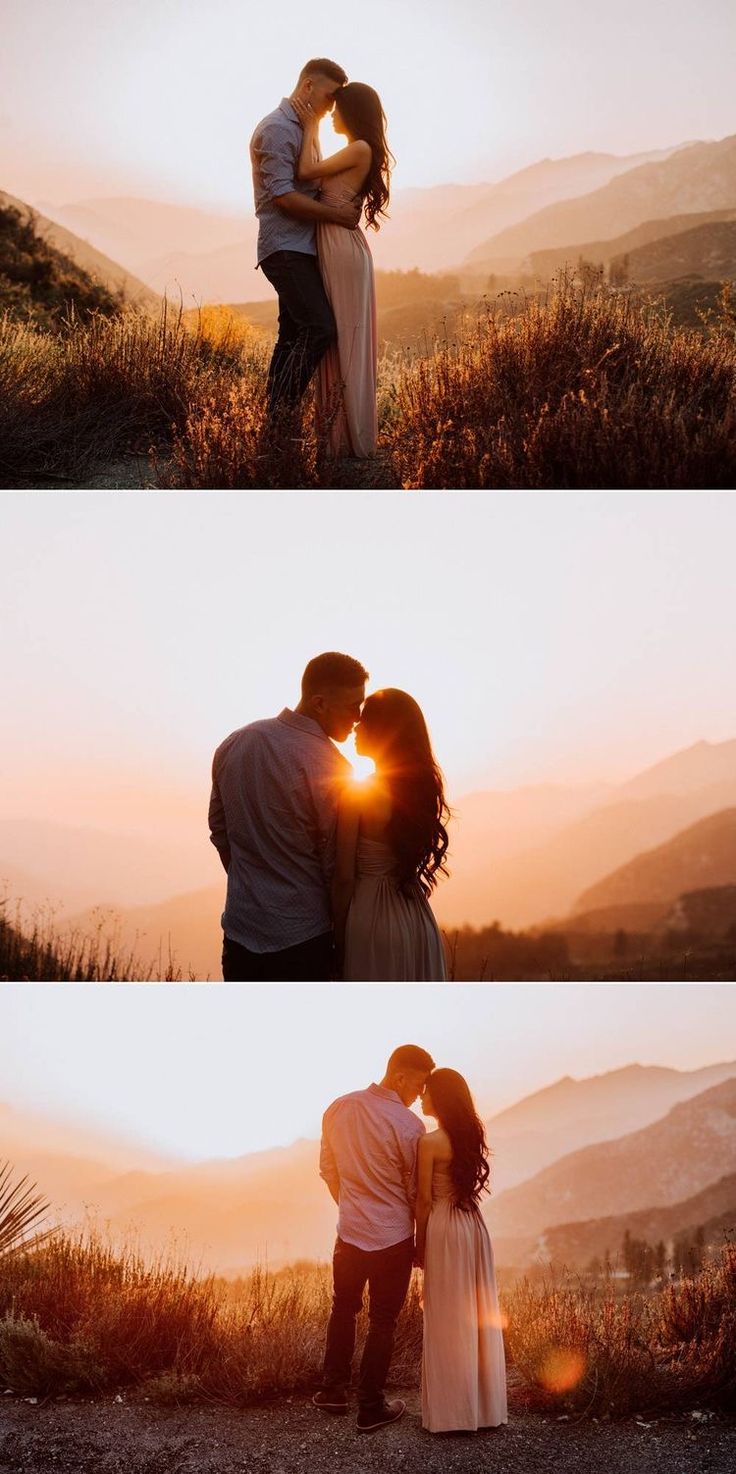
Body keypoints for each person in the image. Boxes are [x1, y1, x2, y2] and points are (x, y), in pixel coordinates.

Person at [208, 652, 367, 980]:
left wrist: (250, 880)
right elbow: (336, 868)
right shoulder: (334, 769)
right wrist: (341, 944)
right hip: (306, 940)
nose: (359, 718)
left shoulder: (235, 742)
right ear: (320, 703)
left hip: (240, 936)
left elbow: (219, 829)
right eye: (354, 706)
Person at [315, 1044, 435, 1431]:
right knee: (383, 1321)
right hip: (393, 1238)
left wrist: (351, 1205)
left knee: (343, 1308)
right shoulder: (409, 1126)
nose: (419, 1096)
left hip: (349, 1233)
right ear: (400, 1076)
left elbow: (328, 1170)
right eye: (418, 1085)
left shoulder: (338, 1107)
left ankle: (333, 1392)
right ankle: (370, 1407)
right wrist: (419, 1241)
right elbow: (414, 1190)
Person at [250, 60, 363, 416]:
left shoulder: (306, 128)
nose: (333, 106)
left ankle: (276, 424)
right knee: (320, 329)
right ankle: (280, 415)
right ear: (308, 86)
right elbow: (283, 197)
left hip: (303, 247)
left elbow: (312, 181)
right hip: (284, 248)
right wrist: (337, 215)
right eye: (330, 96)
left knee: (292, 335)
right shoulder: (278, 129)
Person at [293, 82, 393, 458]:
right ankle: (341, 437)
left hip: (341, 247)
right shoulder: (356, 149)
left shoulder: (359, 148)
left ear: (351, 112)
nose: (330, 113)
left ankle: (348, 439)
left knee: (344, 339)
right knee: (338, 339)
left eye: (336, 109)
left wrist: (309, 125)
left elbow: (304, 172)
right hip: (338, 243)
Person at [332, 689, 449, 980]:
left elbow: (344, 878)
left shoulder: (357, 793)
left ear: (386, 732)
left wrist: (335, 935)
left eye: (366, 720)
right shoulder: (422, 790)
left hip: (371, 920)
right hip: (416, 919)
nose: (356, 726)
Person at [415, 1069, 508, 1434]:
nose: (422, 1098)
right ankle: (482, 1410)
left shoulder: (430, 1142)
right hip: (472, 1226)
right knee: (475, 1311)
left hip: (444, 1228)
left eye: (426, 1093)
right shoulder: (470, 1135)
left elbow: (423, 1199)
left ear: (440, 1098)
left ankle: (452, 1414)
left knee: (446, 1316)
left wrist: (418, 1246)